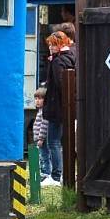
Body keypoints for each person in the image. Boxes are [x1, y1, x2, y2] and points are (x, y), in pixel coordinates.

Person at [43, 30, 76, 184]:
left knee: (53, 142)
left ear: (59, 44)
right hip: (69, 106)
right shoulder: (72, 56)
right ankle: (62, 174)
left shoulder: (57, 61)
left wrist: (51, 62)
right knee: (64, 142)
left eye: (52, 44)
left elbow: (58, 84)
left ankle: (56, 175)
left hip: (57, 107)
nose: (50, 47)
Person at [32, 87, 54, 186]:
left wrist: (40, 138)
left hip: (42, 139)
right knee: (43, 156)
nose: (37, 101)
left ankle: (47, 173)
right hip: (39, 139)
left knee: (44, 156)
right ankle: (45, 173)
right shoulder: (40, 111)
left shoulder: (44, 112)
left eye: (40, 98)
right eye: (36, 98)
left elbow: (44, 126)